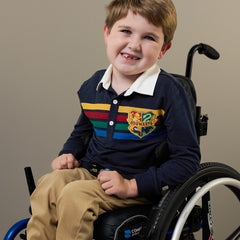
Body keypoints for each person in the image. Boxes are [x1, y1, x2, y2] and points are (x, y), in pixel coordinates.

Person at [27, 0, 200, 239]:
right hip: (91, 173)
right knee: (48, 184)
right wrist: (68, 153)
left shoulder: (168, 92)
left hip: (136, 184)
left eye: (149, 37)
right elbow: (82, 132)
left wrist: (131, 186)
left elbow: (187, 160)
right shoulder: (94, 86)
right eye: (126, 31)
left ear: (163, 49)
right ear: (108, 33)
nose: (134, 44)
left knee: (75, 196)